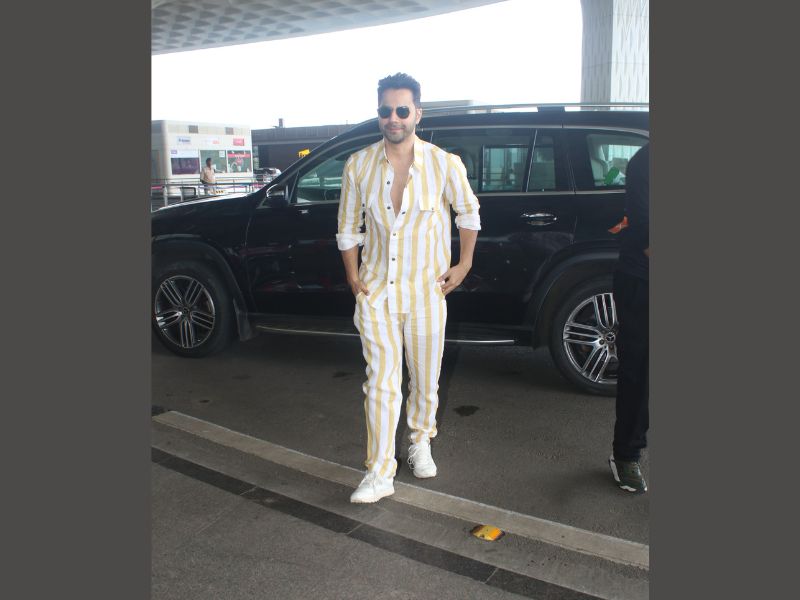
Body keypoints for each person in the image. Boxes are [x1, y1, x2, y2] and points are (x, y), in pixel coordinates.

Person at [337, 73, 481, 504]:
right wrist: (353, 277)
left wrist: (464, 265)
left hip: (426, 293)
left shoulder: (443, 163)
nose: (393, 118)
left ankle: (420, 440)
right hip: (377, 293)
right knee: (380, 384)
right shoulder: (358, 165)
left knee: (425, 379)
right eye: (386, 110)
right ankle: (379, 472)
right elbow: (348, 228)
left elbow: (468, 214)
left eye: (402, 110)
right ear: (378, 114)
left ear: (418, 113)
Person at [609, 142, 650, 493]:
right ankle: (626, 454)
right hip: (643, 280)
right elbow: (648, 233)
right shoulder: (644, 163)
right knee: (639, 371)